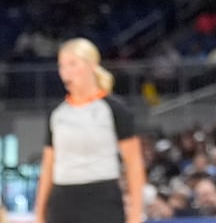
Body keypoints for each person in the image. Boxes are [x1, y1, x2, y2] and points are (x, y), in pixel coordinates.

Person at [33, 38, 145, 223]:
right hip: (62, 200)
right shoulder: (57, 114)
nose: (65, 72)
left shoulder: (114, 109)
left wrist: (135, 215)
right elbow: (48, 167)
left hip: (103, 199)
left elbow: (133, 164)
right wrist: (39, 214)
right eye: (62, 66)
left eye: (72, 64)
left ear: (92, 65)